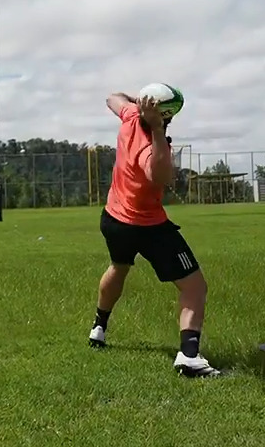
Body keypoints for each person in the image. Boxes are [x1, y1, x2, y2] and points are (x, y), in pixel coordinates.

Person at [86, 90, 220, 378]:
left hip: (113, 218)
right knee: (195, 287)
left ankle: (99, 327)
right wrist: (158, 129)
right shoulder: (152, 145)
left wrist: (141, 101)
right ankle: (189, 356)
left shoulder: (131, 115)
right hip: (147, 226)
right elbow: (159, 176)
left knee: (118, 267)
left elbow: (112, 97)